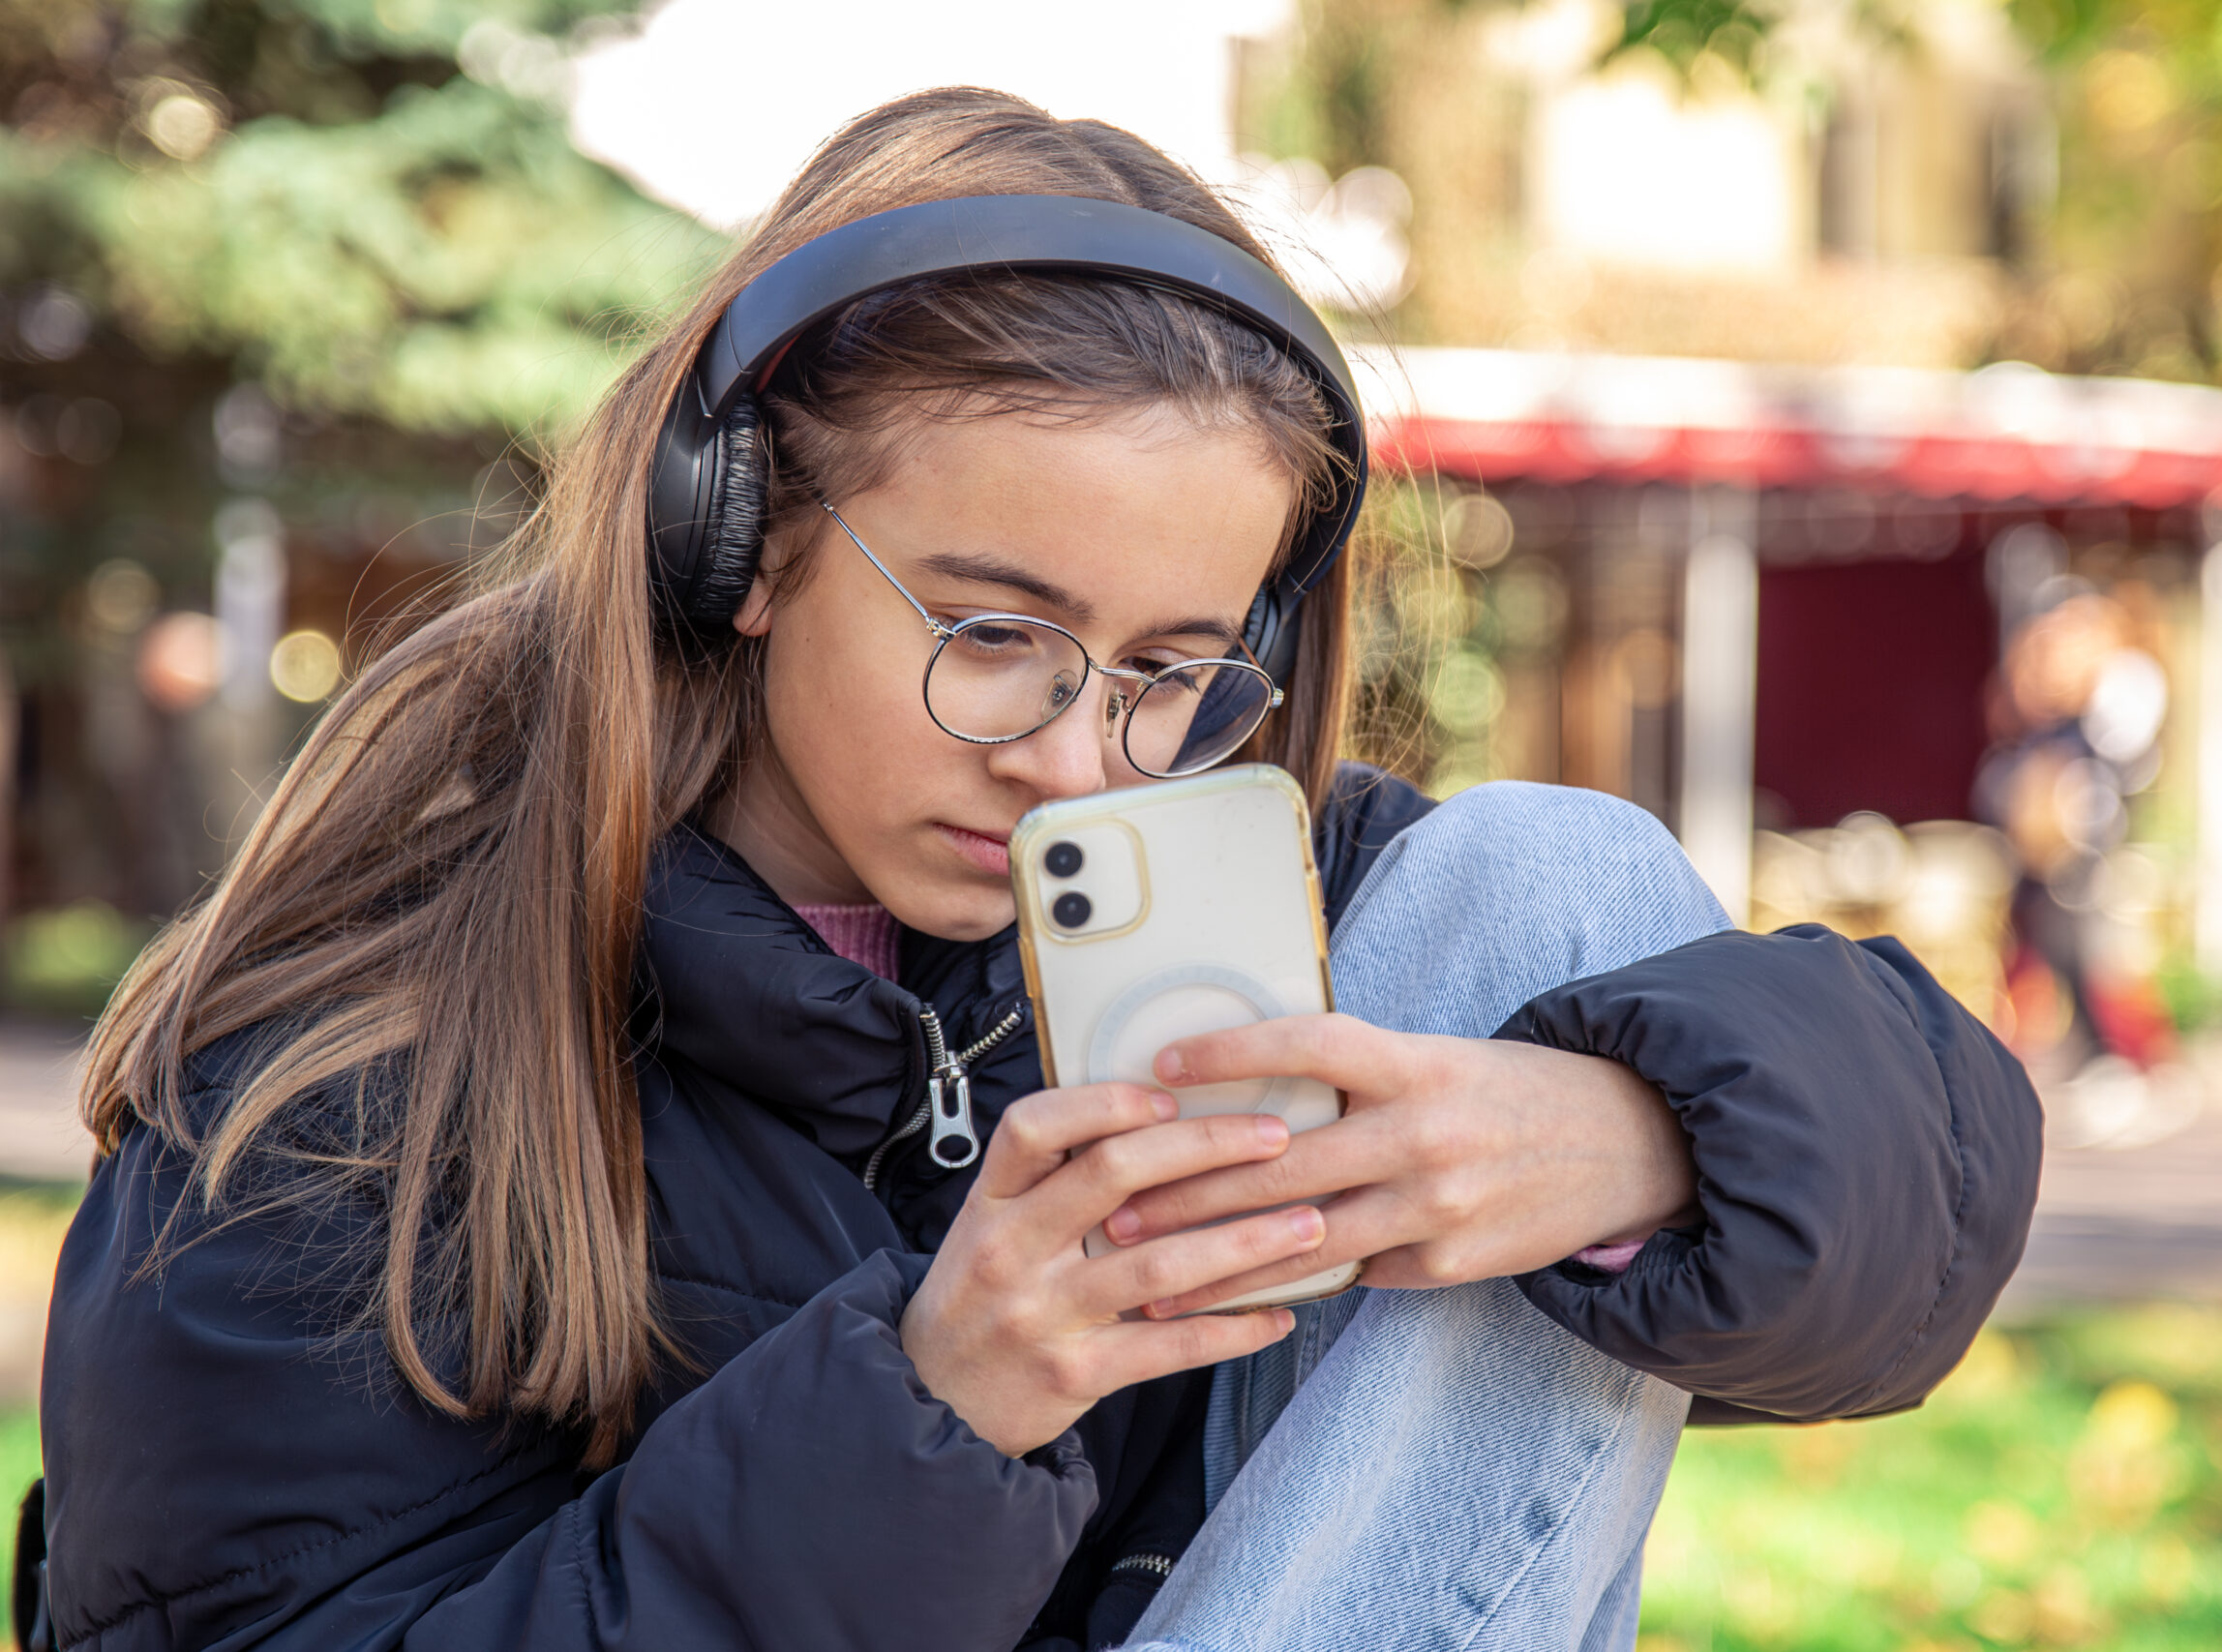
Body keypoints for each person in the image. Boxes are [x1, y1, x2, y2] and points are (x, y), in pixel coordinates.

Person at [33, 89, 2042, 1652]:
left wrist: (1633, 1145)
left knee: (1555, 887)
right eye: (992, 632)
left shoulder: (1292, 904)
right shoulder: (339, 1094)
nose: (1080, 760)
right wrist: (928, 1403)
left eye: (1173, 668)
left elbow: (1935, 1172)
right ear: (733, 546)